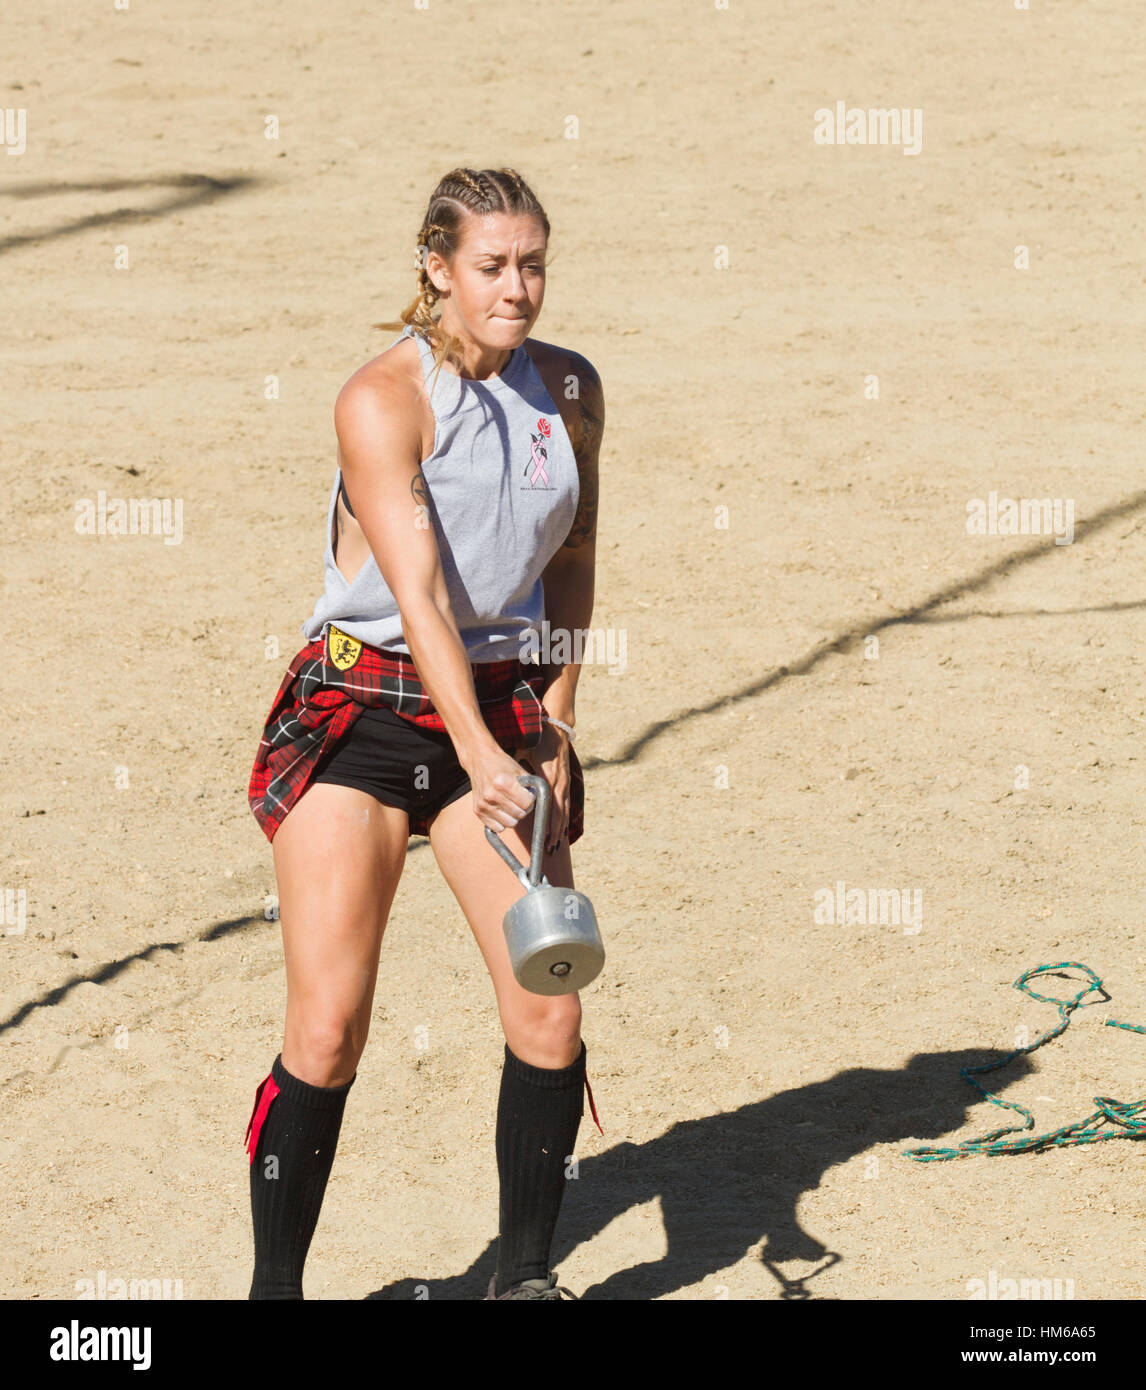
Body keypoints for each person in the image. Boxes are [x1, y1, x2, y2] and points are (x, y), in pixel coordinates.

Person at [244, 166, 605, 1301]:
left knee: (550, 1000)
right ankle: (275, 1287)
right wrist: (484, 751)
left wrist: (551, 721)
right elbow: (420, 594)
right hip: (361, 713)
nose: (519, 288)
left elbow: (577, 566)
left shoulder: (574, 390)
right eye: (492, 266)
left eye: (533, 262)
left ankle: (527, 1279)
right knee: (330, 1024)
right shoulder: (381, 400)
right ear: (438, 269)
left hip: (498, 707)